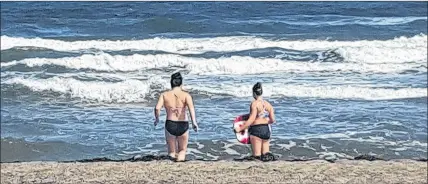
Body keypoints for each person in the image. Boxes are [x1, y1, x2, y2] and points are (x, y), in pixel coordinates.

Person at [154, 72, 198, 162]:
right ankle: (180, 165)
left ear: (171, 83)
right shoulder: (186, 95)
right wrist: (194, 123)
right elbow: (191, 109)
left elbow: (157, 108)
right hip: (183, 124)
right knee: (182, 150)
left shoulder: (164, 95)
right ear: (181, 83)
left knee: (171, 151)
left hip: (170, 124)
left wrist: (157, 119)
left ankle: (171, 166)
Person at [234, 82, 276, 160]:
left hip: (256, 130)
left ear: (254, 93)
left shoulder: (254, 104)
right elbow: (273, 120)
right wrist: (265, 120)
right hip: (266, 130)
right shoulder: (268, 105)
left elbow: (251, 120)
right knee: (266, 155)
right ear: (261, 92)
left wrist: (240, 129)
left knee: (257, 156)